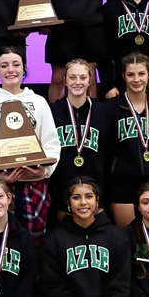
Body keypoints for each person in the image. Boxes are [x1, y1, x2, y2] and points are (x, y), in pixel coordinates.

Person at [0, 46, 60, 243]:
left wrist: (43, 171)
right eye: (4, 65)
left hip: (34, 184)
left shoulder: (39, 102)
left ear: (24, 68)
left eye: (16, 64)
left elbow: (52, 143)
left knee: (33, 245)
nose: (10, 70)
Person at [42, 177, 130, 297]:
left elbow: (121, 284)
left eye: (89, 196)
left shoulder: (116, 236)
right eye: (76, 197)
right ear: (67, 203)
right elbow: (54, 288)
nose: (83, 202)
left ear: (97, 201)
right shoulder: (55, 239)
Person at [107, 52, 149, 227]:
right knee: (129, 240)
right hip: (123, 183)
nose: (136, 79)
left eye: (141, 73)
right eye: (131, 74)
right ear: (123, 76)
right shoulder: (110, 110)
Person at [49, 59, 113, 222]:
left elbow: (108, 154)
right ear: (64, 80)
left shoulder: (103, 111)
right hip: (61, 189)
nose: (78, 82)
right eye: (72, 77)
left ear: (90, 80)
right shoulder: (52, 112)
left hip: (95, 189)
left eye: (83, 78)